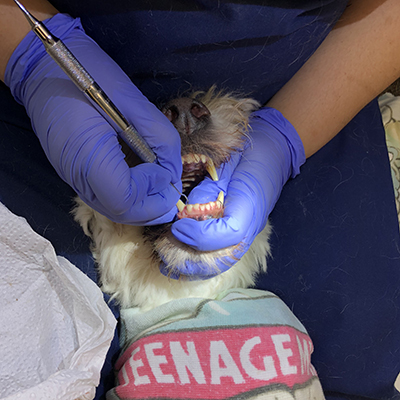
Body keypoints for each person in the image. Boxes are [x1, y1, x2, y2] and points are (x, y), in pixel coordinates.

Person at [0, 0, 399, 398]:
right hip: (63, 80)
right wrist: (30, 57)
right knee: (37, 364)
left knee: (356, 370)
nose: (185, 118)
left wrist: (285, 137)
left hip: (313, 77)